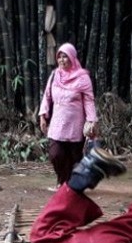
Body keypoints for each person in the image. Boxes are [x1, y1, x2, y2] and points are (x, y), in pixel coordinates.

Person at [38, 43, 99, 185]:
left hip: (75, 125)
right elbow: (47, 96)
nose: (61, 60)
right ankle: (63, 180)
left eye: (65, 56)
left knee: (74, 157)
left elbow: (89, 100)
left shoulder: (83, 77)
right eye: (59, 57)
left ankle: (70, 186)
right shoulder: (55, 75)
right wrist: (43, 116)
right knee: (55, 154)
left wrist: (91, 120)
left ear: (72, 57)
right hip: (57, 123)